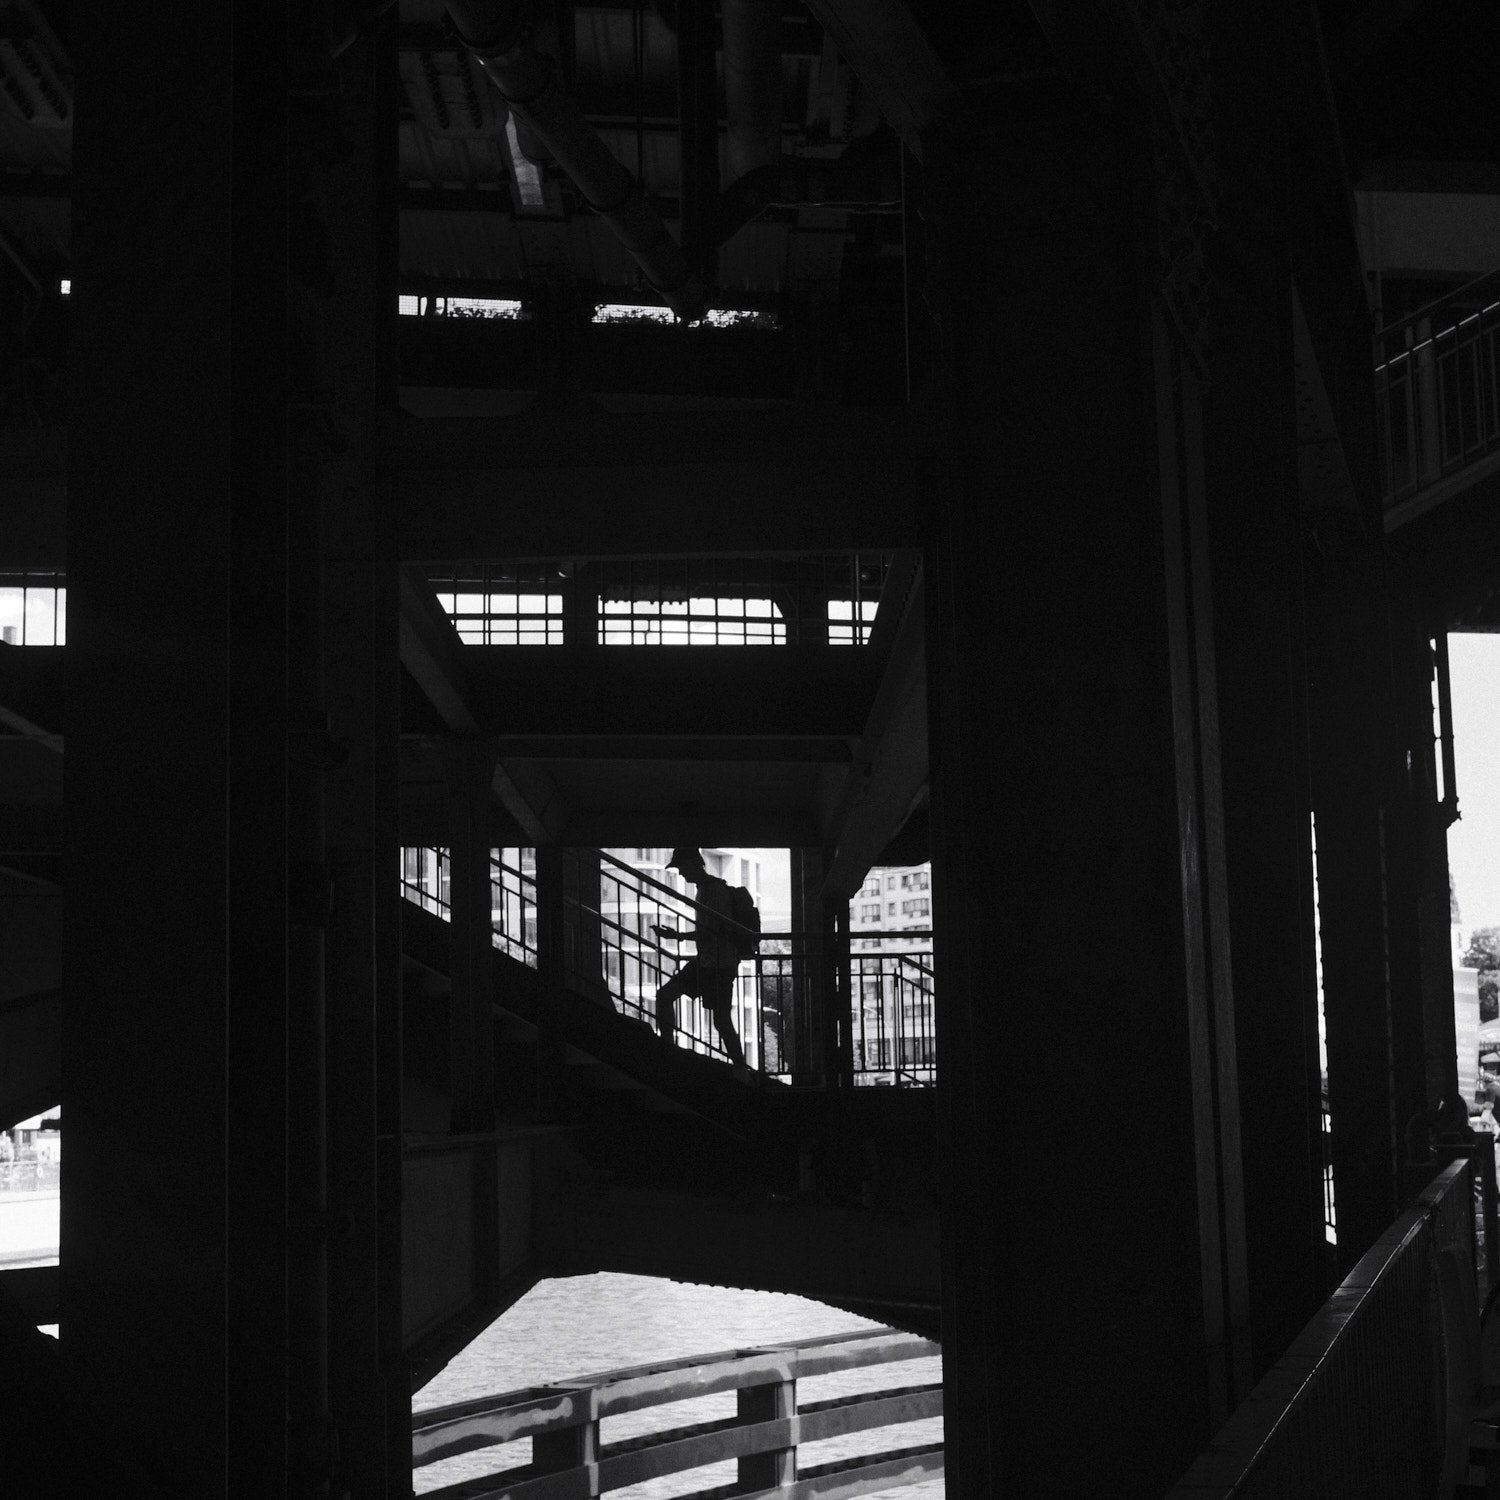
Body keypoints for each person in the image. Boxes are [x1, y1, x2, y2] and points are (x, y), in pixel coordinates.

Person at [651, 847, 751, 1070]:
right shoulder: (706, 889)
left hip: (717, 964)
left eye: (682, 868)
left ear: (694, 864)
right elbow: (712, 929)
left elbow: (713, 930)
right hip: (711, 962)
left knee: (720, 1020)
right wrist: (678, 935)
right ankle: (741, 1069)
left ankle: (741, 1069)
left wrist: (679, 935)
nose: (681, 873)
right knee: (719, 1020)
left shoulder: (712, 891)